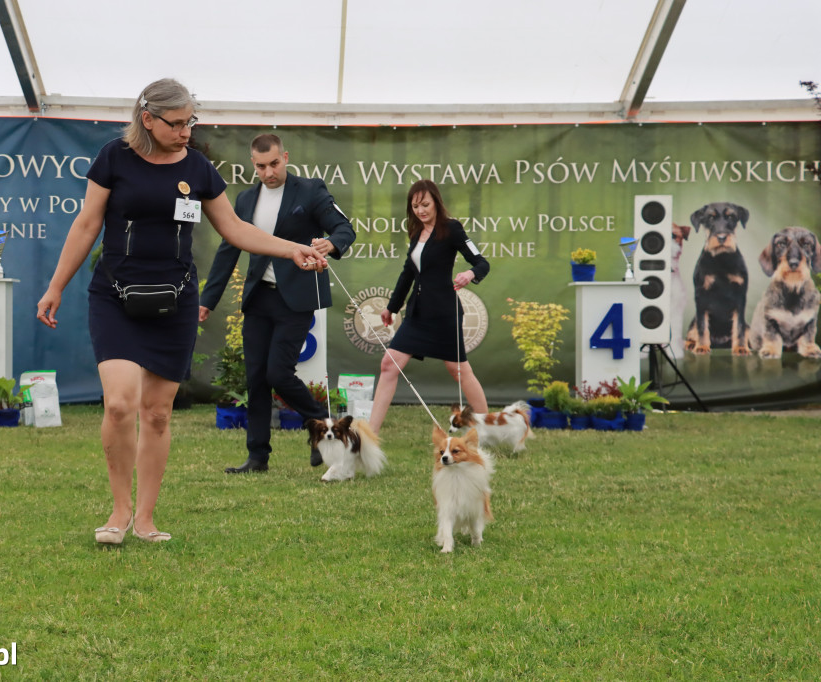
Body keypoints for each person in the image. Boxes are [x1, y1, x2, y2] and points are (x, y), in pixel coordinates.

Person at [36, 80, 325, 545]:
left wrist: (292, 250)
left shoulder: (199, 168)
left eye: (191, 121)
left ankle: (147, 518)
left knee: (156, 413)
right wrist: (55, 287)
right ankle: (119, 511)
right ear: (147, 118)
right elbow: (87, 223)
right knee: (119, 403)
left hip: (174, 300)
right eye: (177, 123)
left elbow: (234, 228)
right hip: (114, 296)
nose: (187, 131)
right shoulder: (114, 157)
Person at [200, 134, 356, 474]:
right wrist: (207, 300)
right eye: (260, 166)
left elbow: (345, 228)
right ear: (252, 165)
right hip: (259, 298)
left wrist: (331, 243)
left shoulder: (311, 190)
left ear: (285, 156)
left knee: (278, 373)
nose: (268, 172)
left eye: (274, 163)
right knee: (256, 378)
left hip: (297, 299)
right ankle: (258, 457)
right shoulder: (243, 200)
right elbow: (228, 251)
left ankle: (318, 425)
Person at [368, 179, 490, 433]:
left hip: (444, 313)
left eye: (425, 204)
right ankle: (370, 434)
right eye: (415, 206)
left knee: (458, 370)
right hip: (417, 313)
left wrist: (470, 274)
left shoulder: (452, 229)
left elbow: (481, 262)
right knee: (389, 364)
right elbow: (408, 274)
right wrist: (391, 308)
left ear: (436, 202)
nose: (421, 210)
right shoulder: (416, 234)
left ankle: (487, 428)